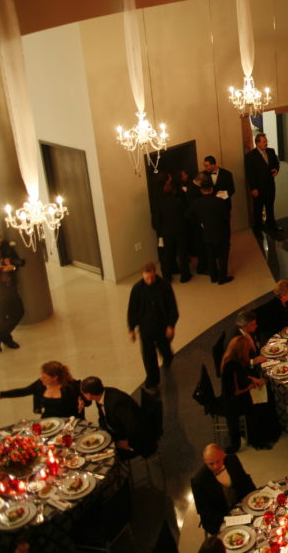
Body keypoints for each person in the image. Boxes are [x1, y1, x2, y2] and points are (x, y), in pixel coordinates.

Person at [127, 262, 178, 392]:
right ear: (142, 275)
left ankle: (167, 357)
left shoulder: (164, 286)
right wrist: (131, 329)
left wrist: (171, 325)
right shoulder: (137, 289)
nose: (149, 281)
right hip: (146, 328)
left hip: (162, 326)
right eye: (146, 278)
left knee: (164, 347)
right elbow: (132, 310)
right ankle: (152, 382)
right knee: (148, 356)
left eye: (151, 277)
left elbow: (172, 307)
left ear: (155, 273)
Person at [79, 376, 154, 458]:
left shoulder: (118, 403)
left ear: (89, 395)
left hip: (136, 440)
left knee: (97, 454)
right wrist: (102, 432)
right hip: (117, 430)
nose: (83, 395)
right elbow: (102, 418)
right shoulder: (101, 396)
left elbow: (133, 427)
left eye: (84, 393)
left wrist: (126, 443)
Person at [191, 444, 256, 536]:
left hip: (243, 507)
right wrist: (227, 522)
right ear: (204, 461)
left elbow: (245, 481)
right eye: (211, 464)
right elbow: (205, 514)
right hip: (222, 518)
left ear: (223, 455)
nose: (216, 466)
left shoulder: (232, 459)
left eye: (218, 461)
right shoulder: (199, 481)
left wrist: (254, 500)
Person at [0, 361, 82, 419]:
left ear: (55, 378)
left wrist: (82, 403)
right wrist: (1, 395)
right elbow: (23, 391)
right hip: (49, 419)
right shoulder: (40, 385)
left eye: (45, 377)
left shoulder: (70, 388)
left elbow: (83, 399)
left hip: (67, 420)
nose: (41, 379)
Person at [219, 336, 264, 452]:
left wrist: (252, 379)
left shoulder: (229, 359)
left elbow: (241, 377)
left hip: (232, 396)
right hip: (233, 401)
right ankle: (253, 435)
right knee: (258, 404)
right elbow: (236, 391)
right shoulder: (232, 365)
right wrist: (252, 385)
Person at [187, 182, 233, 284]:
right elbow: (226, 218)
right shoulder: (220, 202)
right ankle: (222, 277)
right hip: (220, 232)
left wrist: (200, 221)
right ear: (212, 189)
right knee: (222, 255)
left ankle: (213, 276)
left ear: (201, 190)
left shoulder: (196, 202)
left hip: (206, 232)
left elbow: (187, 215)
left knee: (210, 254)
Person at [154, 181, 191, 283]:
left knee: (168, 255)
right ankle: (185, 276)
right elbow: (185, 215)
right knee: (182, 253)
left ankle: (167, 276)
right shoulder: (179, 201)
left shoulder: (159, 202)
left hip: (166, 232)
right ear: (174, 191)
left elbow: (157, 219)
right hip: (180, 230)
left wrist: (160, 232)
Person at [244, 133, 281, 233]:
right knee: (258, 208)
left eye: (266, 141)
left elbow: (277, 163)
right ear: (257, 143)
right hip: (258, 188)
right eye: (264, 141)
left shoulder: (271, 151)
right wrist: (253, 188)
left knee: (270, 206)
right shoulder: (250, 156)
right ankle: (258, 228)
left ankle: (271, 225)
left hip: (270, 185)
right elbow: (249, 174)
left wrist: (276, 170)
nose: (266, 143)